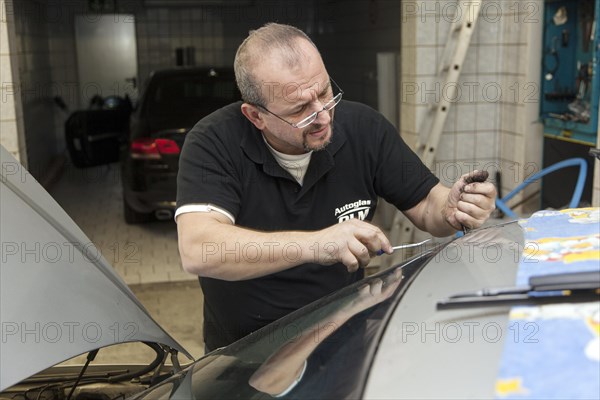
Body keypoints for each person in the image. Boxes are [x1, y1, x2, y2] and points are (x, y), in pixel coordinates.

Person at [175, 22, 497, 351]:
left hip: (343, 335)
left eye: (325, 92)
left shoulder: (364, 129)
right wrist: (318, 245)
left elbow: (428, 206)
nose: (323, 116)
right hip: (245, 351)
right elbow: (199, 249)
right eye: (300, 109)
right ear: (256, 116)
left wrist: (453, 207)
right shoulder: (213, 143)